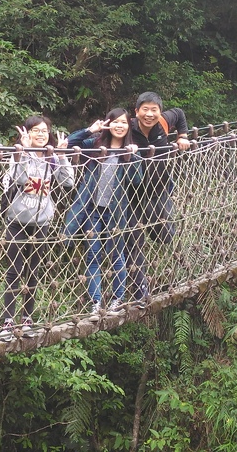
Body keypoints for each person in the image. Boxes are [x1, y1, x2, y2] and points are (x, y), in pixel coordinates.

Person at [0, 115, 74, 339]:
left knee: (33, 272)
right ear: (27, 133)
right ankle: (7, 322)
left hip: (41, 222)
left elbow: (68, 182)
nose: (40, 134)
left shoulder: (52, 158)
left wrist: (61, 155)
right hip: (17, 220)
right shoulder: (19, 155)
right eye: (35, 131)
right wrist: (21, 152)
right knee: (13, 271)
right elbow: (19, 179)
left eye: (44, 131)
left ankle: (27, 320)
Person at [64, 109, 143, 318]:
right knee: (93, 255)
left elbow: (137, 181)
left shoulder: (130, 150)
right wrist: (90, 130)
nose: (119, 126)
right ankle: (96, 302)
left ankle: (117, 299)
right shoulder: (95, 145)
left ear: (128, 127)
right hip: (93, 210)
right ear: (108, 124)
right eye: (115, 122)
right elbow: (68, 145)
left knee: (117, 255)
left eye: (123, 123)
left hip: (116, 211)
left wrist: (134, 156)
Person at [125, 92, 191, 305]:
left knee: (165, 236)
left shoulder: (163, 121)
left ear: (159, 112)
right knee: (134, 243)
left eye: (154, 110)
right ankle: (140, 294)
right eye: (145, 109)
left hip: (158, 193)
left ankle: (155, 230)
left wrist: (182, 136)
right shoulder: (126, 128)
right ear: (137, 111)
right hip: (131, 196)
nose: (150, 114)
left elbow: (179, 114)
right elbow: (102, 138)